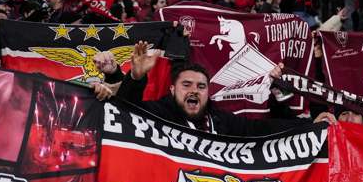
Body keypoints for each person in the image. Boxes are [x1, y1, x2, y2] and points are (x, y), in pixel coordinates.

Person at [115, 41, 326, 135]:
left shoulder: (219, 120)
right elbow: (124, 113)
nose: (194, 91)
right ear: (172, 90)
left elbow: (262, 129)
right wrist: (135, 77)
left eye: (201, 86)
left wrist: (310, 126)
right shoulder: (160, 114)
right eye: (186, 85)